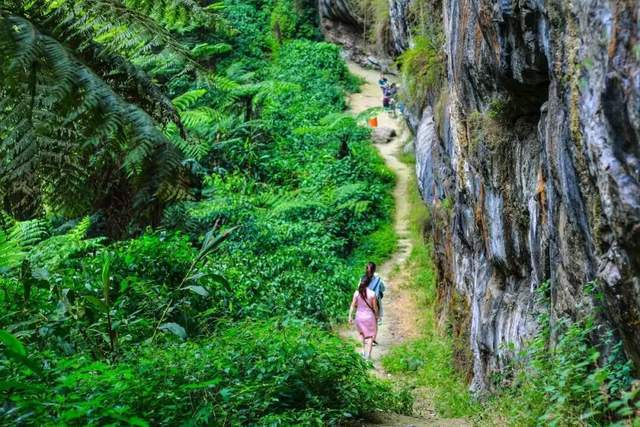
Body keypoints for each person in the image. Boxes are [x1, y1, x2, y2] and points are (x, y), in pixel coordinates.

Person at [348, 277, 379, 359]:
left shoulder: (356, 293)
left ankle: (362, 352)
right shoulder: (372, 294)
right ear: (369, 283)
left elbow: (352, 306)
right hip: (369, 317)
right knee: (370, 337)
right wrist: (377, 316)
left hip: (359, 317)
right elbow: (375, 307)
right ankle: (368, 355)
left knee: (361, 334)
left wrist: (350, 316)